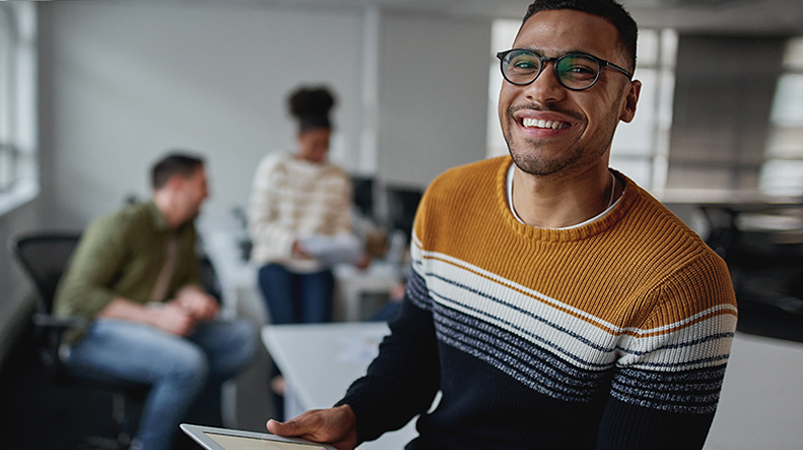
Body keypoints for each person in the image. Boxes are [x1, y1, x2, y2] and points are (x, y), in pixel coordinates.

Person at [267, 1, 738, 449]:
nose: (542, 89)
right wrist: (356, 414)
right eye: (524, 62)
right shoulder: (449, 197)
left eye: (579, 69)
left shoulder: (682, 283)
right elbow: (415, 348)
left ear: (628, 100)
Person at [54, 152, 257, 450]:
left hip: (151, 325)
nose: (208, 194)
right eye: (202, 184)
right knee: (186, 364)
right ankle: (150, 444)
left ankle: (196, 424)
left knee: (242, 337)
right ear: (177, 185)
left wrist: (194, 297)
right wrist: (157, 319)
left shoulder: (185, 229)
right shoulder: (121, 224)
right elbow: (77, 295)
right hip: (90, 332)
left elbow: (186, 280)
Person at [248, 85, 367, 418]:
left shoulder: (336, 175)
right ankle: (280, 425)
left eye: (326, 145)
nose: (320, 151)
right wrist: (293, 243)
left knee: (316, 348)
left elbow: (341, 228)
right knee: (284, 345)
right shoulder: (275, 166)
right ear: (299, 138)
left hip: (318, 268)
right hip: (278, 265)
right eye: (315, 144)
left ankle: (312, 423)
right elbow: (259, 224)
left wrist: (351, 252)